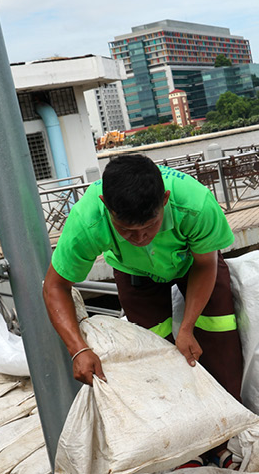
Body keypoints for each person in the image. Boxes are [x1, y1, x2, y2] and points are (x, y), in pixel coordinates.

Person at [42, 154, 244, 400]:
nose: (139, 238)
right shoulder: (86, 221)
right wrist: (78, 350)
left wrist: (187, 327)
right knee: (154, 352)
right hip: (134, 272)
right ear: (105, 204)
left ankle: (230, 420)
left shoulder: (196, 203)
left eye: (150, 226)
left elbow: (205, 264)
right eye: (125, 229)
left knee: (220, 338)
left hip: (193, 263)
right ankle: (180, 418)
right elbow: (55, 286)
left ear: (165, 200)